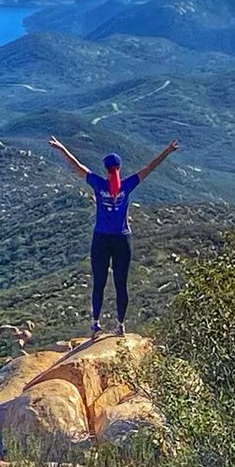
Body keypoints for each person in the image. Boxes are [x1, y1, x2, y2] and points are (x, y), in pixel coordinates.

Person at [47, 135, 180, 336]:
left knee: (98, 282)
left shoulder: (99, 184)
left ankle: (95, 323)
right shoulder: (127, 185)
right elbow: (150, 167)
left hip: (101, 238)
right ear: (119, 168)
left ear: (106, 168)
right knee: (121, 284)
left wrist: (61, 148)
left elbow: (77, 166)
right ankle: (120, 325)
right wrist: (168, 151)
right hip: (122, 239)